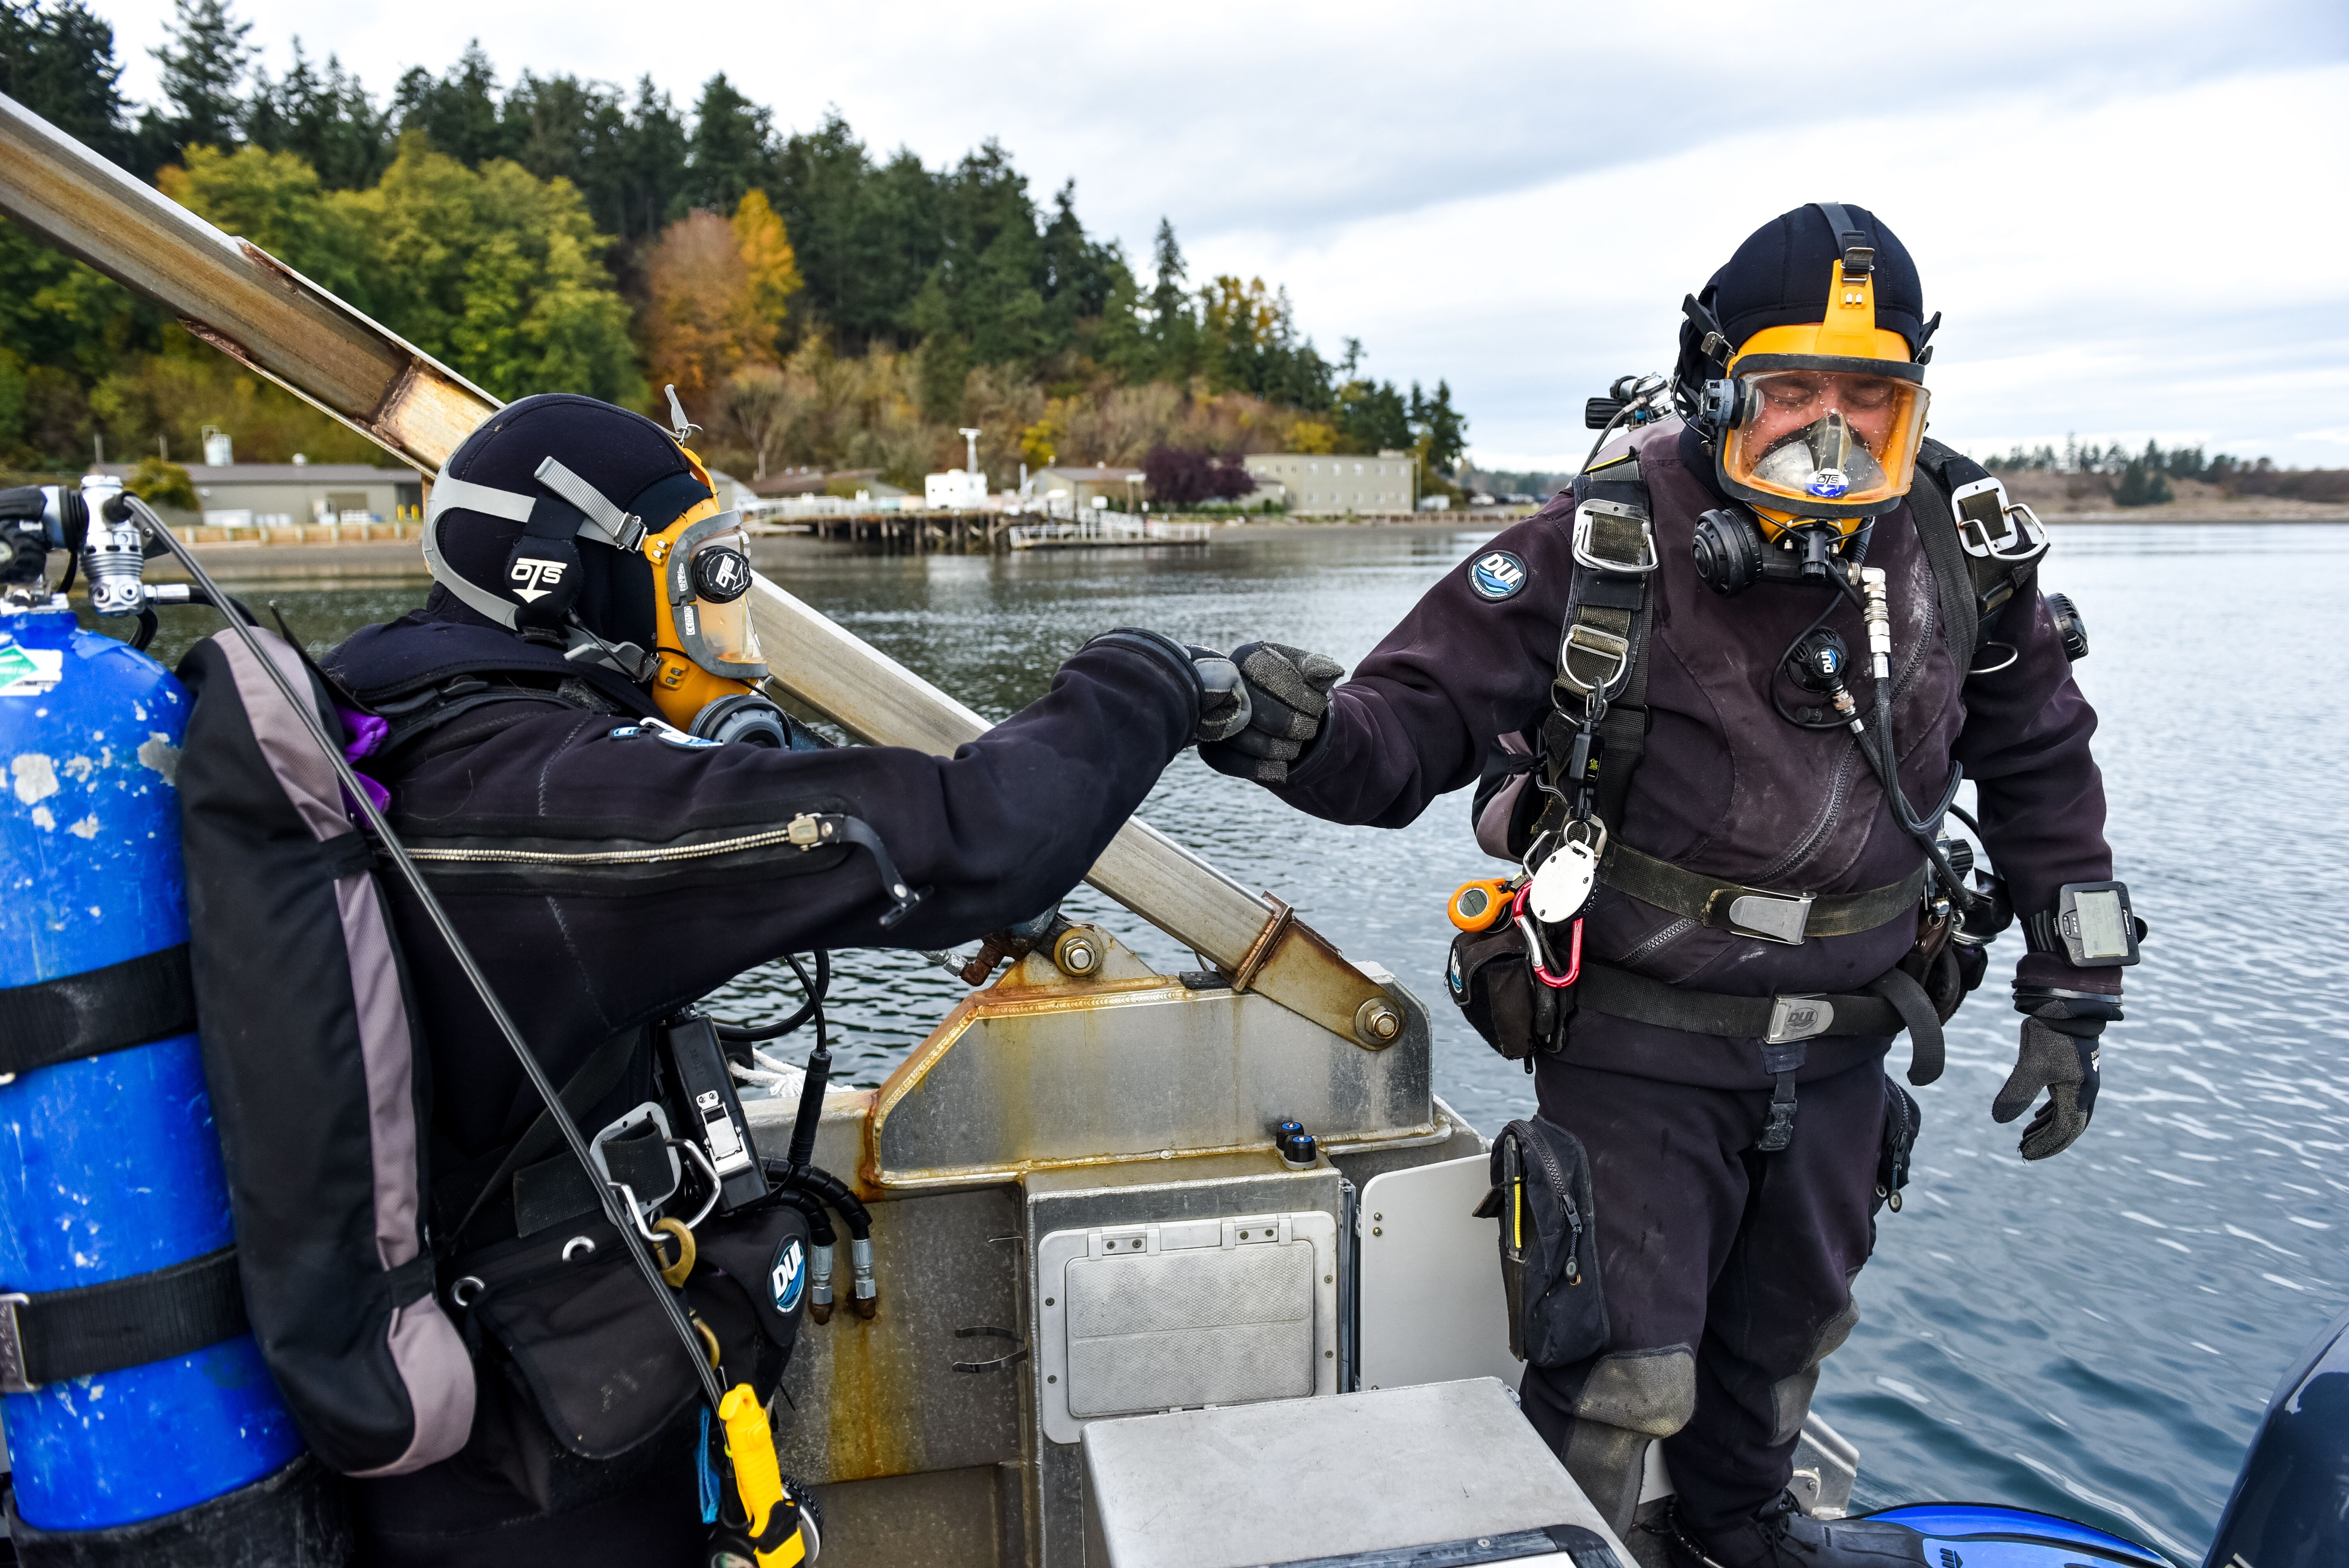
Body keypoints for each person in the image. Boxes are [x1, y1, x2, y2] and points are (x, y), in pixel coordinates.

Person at [1196, 204, 2132, 1568]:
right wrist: (1294, 733)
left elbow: (2045, 759)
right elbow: (1406, 724)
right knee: (1621, 1372)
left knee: (1787, 1345)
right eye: (1790, 392)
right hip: (1641, 1040)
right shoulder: (1604, 542)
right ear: (1713, 381)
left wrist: (2075, 993)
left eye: (1872, 399)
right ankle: (1568, 1544)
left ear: (1915, 402)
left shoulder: (1959, 552)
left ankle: (1740, 1540)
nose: (1833, 435)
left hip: (1852, 1035)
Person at [314, 393, 1240, 1565]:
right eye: (706, 577)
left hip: (505, 1396)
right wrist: (1147, 677)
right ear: (575, 581)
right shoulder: (548, 797)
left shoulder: (409, 726)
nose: (724, 620)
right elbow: (972, 839)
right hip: (524, 1476)